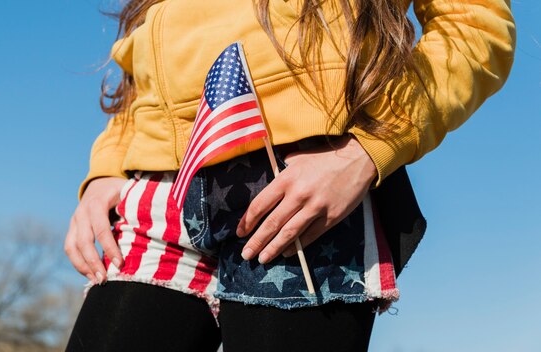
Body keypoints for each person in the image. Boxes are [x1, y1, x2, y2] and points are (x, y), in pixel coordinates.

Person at [64, 0, 515, 351]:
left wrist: (363, 152)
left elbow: (476, 28)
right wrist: (106, 168)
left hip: (302, 193)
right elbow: (139, 65)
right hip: (159, 191)